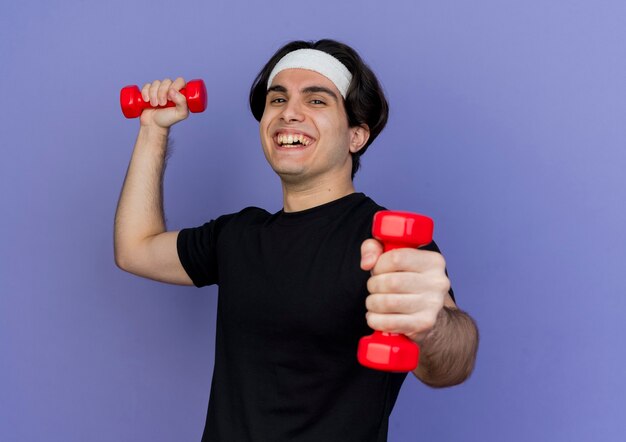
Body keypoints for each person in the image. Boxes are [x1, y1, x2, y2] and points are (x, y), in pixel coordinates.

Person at [114, 39, 479, 442]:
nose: (289, 112)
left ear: (357, 136)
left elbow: (451, 363)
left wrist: (430, 326)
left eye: (317, 101)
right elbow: (135, 249)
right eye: (277, 99)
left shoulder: (386, 241)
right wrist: (152, 129)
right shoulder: (237, 236)